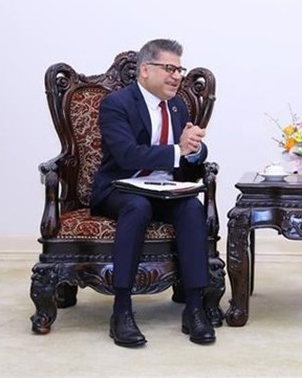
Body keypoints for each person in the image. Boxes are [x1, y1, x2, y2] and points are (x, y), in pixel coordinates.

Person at [90, 38, 215, 348]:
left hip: (164, 190)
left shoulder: (178, 105)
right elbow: (127, 156)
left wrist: (195, 152)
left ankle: (195, 307)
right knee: (137, 207)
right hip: (121, 189)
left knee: (191, 208)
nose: (177, 76)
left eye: (179, 69)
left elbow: (188, 151)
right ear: (145, 69)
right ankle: (121, 310)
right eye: (169, 68)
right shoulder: (117, 104)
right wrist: (177, 150)